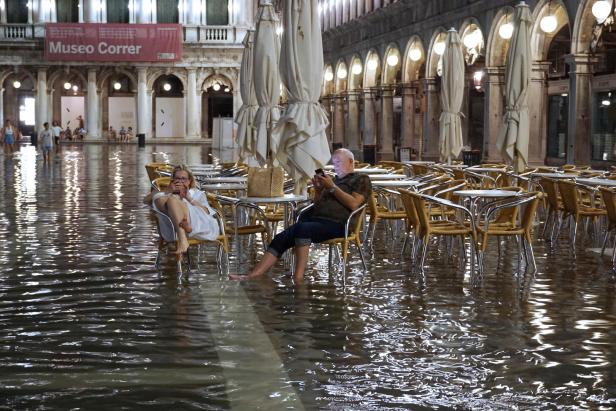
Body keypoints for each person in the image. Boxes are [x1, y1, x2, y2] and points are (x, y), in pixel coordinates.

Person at [230, 148, 372, 281]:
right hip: (318, 220)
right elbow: (317, 205)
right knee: (281, 237)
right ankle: (253, 275)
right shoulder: (333, 180)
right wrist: (318, 191)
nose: (336, 166)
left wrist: (332, 188)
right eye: (334, 163)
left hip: (340, 224)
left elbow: (354, 204)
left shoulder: (361, 179)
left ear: (351, 162)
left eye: (339, 162)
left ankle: (298, 279)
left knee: (302, 229)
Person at [144, 165, 220, 255]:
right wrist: (167, 191)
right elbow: (145, 200)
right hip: (172, 228)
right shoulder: (167, 193)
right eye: (177, 179)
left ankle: (182, 238)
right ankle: (183, 234)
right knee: (160, 198)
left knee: (171, 200)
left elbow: (207, 211)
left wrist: (189, 199)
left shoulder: (197, 193)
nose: (180, 181)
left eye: (183, 179)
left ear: (189, 181)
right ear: (172, 180)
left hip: (199, 223)